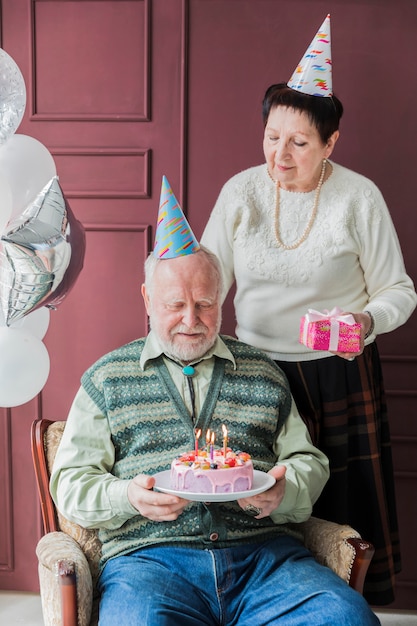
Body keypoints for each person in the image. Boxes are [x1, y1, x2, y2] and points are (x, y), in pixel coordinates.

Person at [50, 177, 380, 626]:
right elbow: (69, 483)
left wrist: (283, 492)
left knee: (346, 618)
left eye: (205, 304)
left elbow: (307, 461)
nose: (191, 320)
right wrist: (128, 496)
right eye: (176, 305)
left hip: (266, 559)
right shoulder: (106, 378)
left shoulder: (263, 373)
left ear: (221, 297)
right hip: (152, 564)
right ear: (148, 299)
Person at [201, 15, 417, 606]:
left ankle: (340, 609)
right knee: (262, 508)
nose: (280, 153)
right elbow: (208, 281)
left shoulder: (358, 196)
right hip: (252, 372)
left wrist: (366, 322)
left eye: (299, 142)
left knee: (341, 513)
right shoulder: (241, 192)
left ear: (331, 143)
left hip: (337, 371)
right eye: (272, 136)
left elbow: (399, 290)